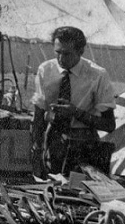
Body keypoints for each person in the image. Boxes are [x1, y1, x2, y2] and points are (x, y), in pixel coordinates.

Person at [31, 26, 116, 175]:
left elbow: (109, 125)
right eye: (58, 53)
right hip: (54, 143)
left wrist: (75, 113)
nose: (61, 59)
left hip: (85, 146)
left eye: (67, 54)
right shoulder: (45, 70)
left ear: (81, 51)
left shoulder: (97, 75)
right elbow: (39, 114)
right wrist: (36, 149)